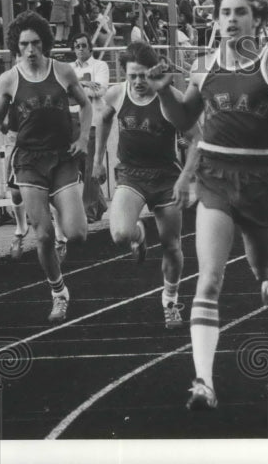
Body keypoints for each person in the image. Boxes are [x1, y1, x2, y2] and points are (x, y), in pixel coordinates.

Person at [145, 0, 268, 410]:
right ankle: (203, 382)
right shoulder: (205, 66)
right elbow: (183, 117)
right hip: (214, 179)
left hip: (259, 180)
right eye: (224, 13)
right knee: (208, 278)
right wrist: (164, 94)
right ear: (216, 20)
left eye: (240, 12)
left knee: (261, 268)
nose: (231, 20)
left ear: (258, 19)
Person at [0, 11, 92, 323]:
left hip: (61, 157)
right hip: (29, 161)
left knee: (77, 234)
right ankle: (58, 293)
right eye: (24, 44)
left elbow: (85, 105)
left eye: (35, 43)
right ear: (16, 47)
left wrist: (84, 138)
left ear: (44, 43)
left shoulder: (62, 71)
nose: (30, 49)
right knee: (43, 236)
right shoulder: (8, 79)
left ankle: (65, 223)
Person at [94, 42, 190, 328]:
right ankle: (138, 235)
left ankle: (170, 300)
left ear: (154, 73)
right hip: (132, 174)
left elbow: (197, 138)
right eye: (132, 76)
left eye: (143, 76)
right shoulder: (117, 94)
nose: (137, 82)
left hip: (166, 178)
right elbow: (104, 119)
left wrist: (186, 177)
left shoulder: (171, 98)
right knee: (119, 233)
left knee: (172, 245)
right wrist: (98, 160)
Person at [69, 33, 111, 221]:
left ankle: (90, 211)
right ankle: (99, 203)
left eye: (83, 45)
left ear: (90, 48)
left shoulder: (100, 66)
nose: (80, 49)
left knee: (90, 167)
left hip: (94, 121)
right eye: (77, 45)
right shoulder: (68, 68)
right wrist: (85, 83)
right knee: (78, 165)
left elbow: (100, 90)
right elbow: (63, 89)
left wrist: (75, 86)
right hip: (72, 121)